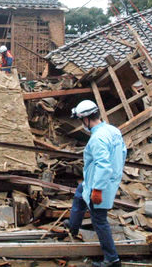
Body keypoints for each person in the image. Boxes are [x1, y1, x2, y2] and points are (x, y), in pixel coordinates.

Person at [63, 100, 126, 267]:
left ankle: (112, 259)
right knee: (79, 195)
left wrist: (97, 189)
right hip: (96, 179)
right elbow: (123, 153)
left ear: (86, 119)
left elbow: (103, 165)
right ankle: (73, 226)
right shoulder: (112, 130)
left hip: (100, 183)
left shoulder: (98, 138)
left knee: (99, 220)